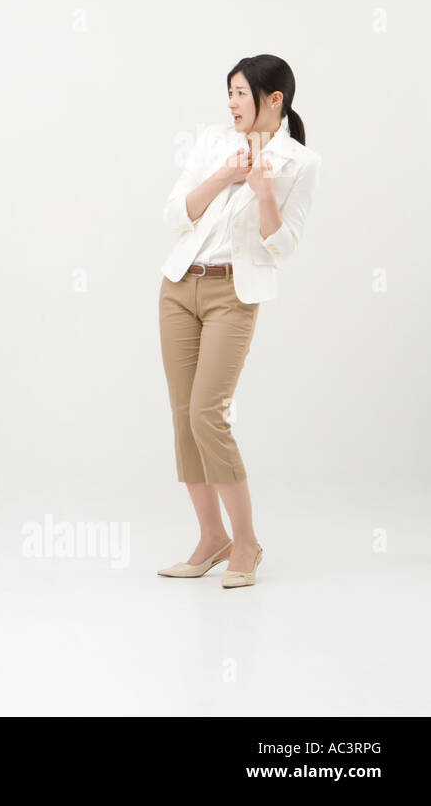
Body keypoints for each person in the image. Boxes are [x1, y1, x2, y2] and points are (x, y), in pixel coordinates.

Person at [156, 55, 320, 589]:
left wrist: (265, 190)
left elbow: (283, 245)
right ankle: (212, 539)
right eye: (228, 92)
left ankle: (246, 542)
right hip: (179, 286)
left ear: (275, 100)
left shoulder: (299, 162)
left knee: (209, 412)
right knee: (184, 416)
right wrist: (225, 173)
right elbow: (175, 214)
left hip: (234, 292)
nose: (231, 104)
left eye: (241, 94)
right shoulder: (209, 142)